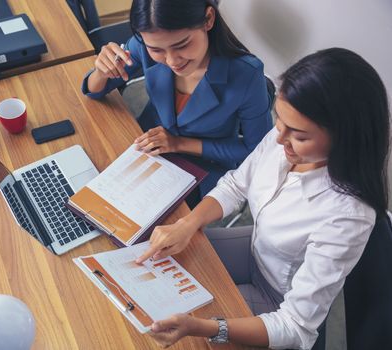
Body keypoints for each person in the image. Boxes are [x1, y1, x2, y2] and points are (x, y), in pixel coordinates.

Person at [135, 47, 390, 349]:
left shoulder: (347, 215)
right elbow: (235, 185)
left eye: (299, 135)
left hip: (276, 301)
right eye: (278, 120)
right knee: (151, 264)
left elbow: (295, 325)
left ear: (345, 137)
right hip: (257, 249)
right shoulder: (284, 137)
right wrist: (188, 224)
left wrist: (204, 327)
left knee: (173, 330)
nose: (279, 137)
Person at [82, 0, 273, 205]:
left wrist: (178, 144)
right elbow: (95, 92)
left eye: (181, 45)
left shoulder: (246, 74)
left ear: (208, 19)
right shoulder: (144, 45)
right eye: (157, 50)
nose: (172, 61)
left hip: (201, 165)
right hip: (144, 144)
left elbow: (258, 150)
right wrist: (101, 72)